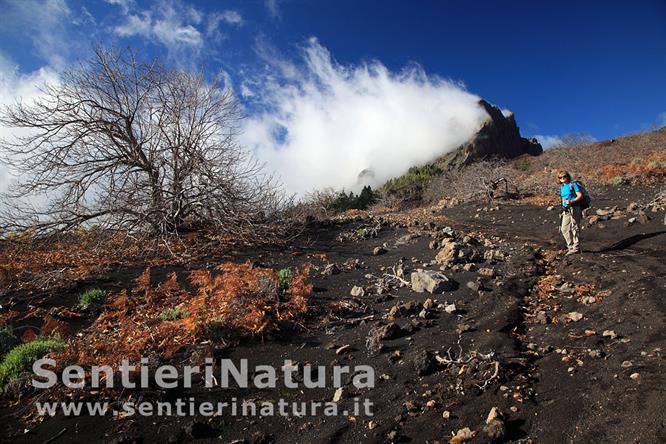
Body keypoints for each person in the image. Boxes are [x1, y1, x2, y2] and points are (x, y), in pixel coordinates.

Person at [558, 170, 583, 255]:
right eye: (560, 177)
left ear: (568, 177)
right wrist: (561, 209)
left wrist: (572, 201)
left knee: (574, 227)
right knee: (564, 228)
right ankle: (570, 246)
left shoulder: (573, 185)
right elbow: (562, 199)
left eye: (564, 176)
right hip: (565, 210)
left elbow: (580, 195)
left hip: (574, 208)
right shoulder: (562, 187)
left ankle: (576, 247)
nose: (562, 178)